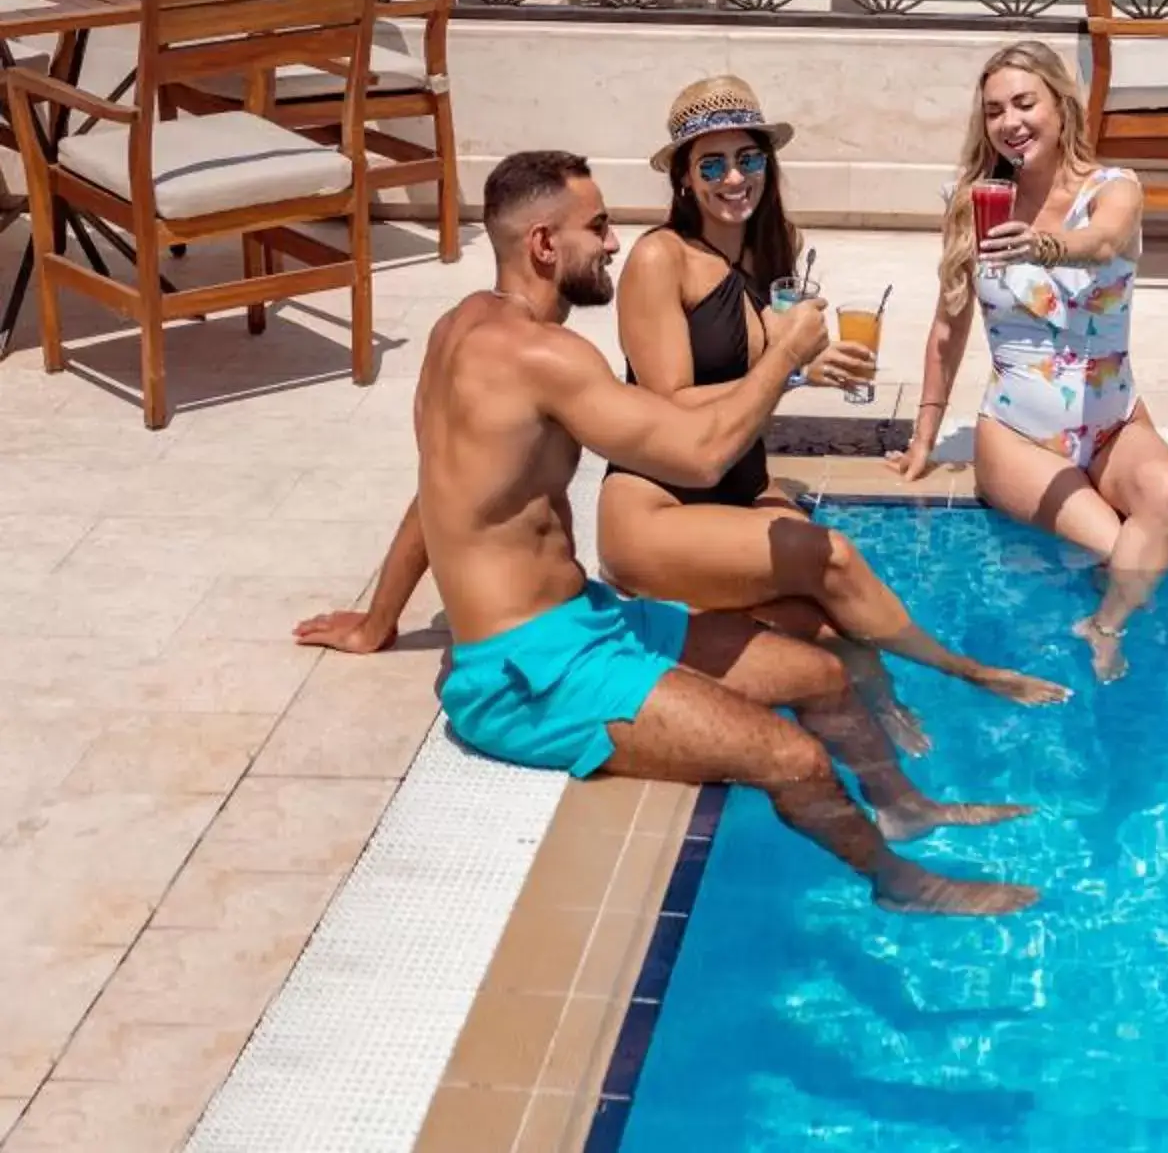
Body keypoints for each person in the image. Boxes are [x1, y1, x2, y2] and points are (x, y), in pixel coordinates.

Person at [296, 148, 1037, 915]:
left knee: (822, 674)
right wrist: (784, 356)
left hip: (579, 620)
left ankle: (902, 806)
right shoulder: (547, 357)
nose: (614, 243)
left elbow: (441, 488)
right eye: (599, 226)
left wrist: (378, 620)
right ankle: (902, 886)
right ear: (545, 245)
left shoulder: (458, 330)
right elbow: (702, 451)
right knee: (793, 757)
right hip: (525, 677)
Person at [597, 75, 1067, 739]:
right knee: (836, 559)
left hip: (737, 487)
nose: (735, 178)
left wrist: (808, 368)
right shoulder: (659, 258)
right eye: (712, 163)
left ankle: (889, 744)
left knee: (839, 630)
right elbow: (667, 405)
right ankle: (969, 672)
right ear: (683, 179)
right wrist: (787, 370)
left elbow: (760, 376)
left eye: (749, 158)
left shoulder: (773, 246)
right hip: (656, 508)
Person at [889, 40, 1168, 681]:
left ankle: (1102, 627)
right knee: (1117, 548)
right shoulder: (975, 200)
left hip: (1113, 424)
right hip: (1020, 436)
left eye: (1025, 103)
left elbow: (1104, 241)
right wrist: (923, 436)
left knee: (1166, 491)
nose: (1011, 122)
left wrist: (1044, 247)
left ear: (1061, 105)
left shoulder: (1116, 190)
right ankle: (1109, 627)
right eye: (995, 110)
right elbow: (950, 322)